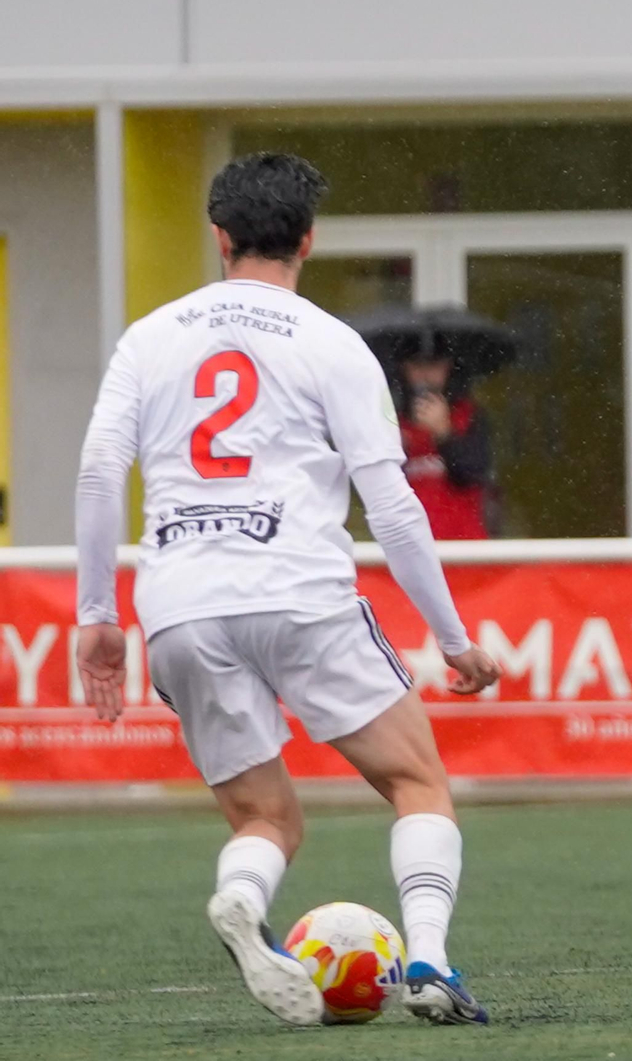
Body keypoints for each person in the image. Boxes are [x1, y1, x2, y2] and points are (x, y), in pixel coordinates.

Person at [74, 152, 503, 1026]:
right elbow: (392, 504)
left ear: (219, 235)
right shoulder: (331, 343)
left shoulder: (149, 338)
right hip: (301, 590)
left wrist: (97, 617)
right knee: (418, 782)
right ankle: (428, 962)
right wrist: (454, 637)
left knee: (265, 818)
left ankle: (243, 893)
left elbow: (95, 472)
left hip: (183, 602)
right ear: (308, 239)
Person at [396, 346, 494, 540]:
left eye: (433, 365)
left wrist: (444, 433)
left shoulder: (469, 415)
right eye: (417, 365)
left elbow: (474, 472)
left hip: (463, 545)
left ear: (448, 367)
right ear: (405, 368)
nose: (425, 375)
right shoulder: (395, 423)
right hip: (412, 545)